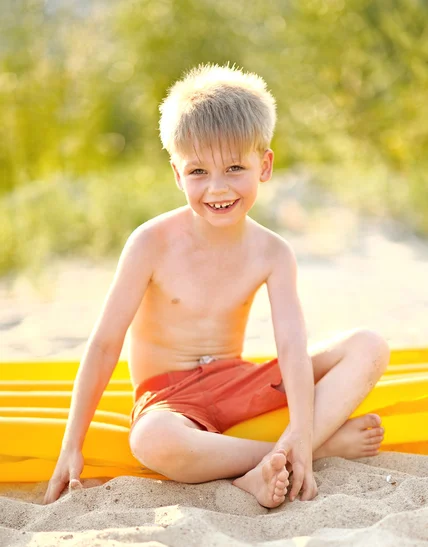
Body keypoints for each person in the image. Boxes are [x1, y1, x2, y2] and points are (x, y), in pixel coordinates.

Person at [43, 64, 389, 508]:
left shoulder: (272, 252)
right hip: (170, 399)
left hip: (238, 380)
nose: (217, 188)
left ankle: (295, 447)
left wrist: (302, 426)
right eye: (199, 172)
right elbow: (105, 343)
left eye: (234, 167)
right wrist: (73, 443)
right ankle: (310, 452)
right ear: (176, 173)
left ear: (264, 166)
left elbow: (291, 344)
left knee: (369, 345)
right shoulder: (150, 243)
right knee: (150, 440)